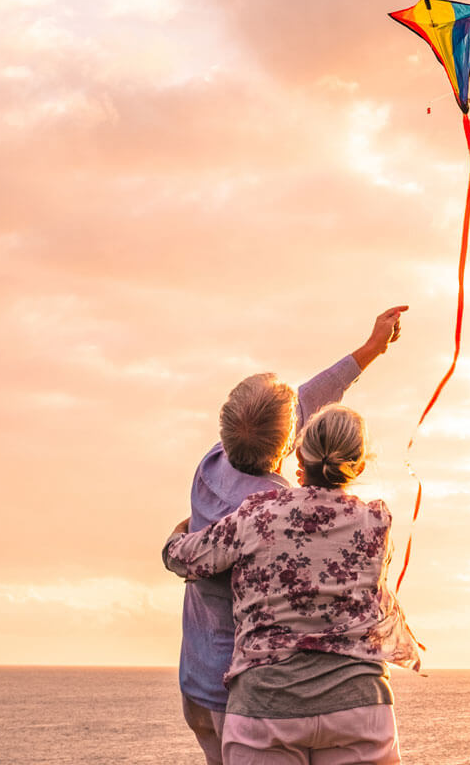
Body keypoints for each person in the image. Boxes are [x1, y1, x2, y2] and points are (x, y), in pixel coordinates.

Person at [175, 306, 408, 765]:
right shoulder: (268, 511)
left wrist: (369, 350)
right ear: (287, 444)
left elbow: (301, 401)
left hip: (200, 677)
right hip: (238, 689)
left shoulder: (214, 462)